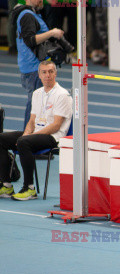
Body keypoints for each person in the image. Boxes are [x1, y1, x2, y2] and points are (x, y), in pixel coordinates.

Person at [0, 60, 72, 201]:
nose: (47, 75)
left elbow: (56, 125)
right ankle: (6, 184)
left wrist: (29, 137)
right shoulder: (37, 93)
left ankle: (29, 188)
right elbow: (32, 120)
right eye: (44, 72)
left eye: (50, 72)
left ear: (55, 74)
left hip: (53, 137)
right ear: (39, 75)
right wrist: (27, 133)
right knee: (1, 138)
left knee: (24, 142)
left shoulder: (62, 95)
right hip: (35, 134)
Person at [12, 0, 65, 128]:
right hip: (33, 68)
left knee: (39, 105)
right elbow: (30, 40)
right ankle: (26, 141)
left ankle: (30, 142)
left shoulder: (32, 14)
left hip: (35, 66)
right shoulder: (27, 16)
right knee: (35, 106)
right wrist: (52, 33)